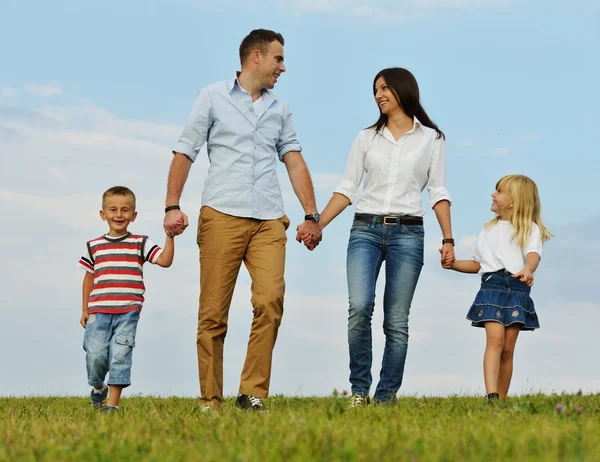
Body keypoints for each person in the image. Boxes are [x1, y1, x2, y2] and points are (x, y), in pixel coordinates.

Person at [163, 29, 321, 411]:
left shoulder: (279, 109)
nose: (282, 67)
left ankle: (252, 393)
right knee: (214, 312)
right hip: (221, 213)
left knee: (270, 301)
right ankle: (210, 399)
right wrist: (172, 205)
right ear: (256, 56)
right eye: (278, 59)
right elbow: (186, 151)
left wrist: (311, 215)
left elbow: (294, 159)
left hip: (268, 219)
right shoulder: (212, 97)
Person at [302, 67, 454, 406]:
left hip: (409, 234)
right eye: (375, 90)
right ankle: (359, 391)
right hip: (365, 231)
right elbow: (347, 188)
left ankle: (386, 397)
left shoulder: (432, 139)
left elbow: (439, 191)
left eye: (384, 88)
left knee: (396, 320)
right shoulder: (365, 138)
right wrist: (318, 223)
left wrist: (448, 239)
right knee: (359, 307)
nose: (378, 95)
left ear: (403, 90)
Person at [446, 174, 552, 402]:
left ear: (514, 201)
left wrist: (528, 269)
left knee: (508, 348)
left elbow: (534, 254)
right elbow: (477, 264)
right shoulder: (487, 230)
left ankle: (501, 400)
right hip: (491, 287)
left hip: (517, 288)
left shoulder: (529, 228)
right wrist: (453, 264)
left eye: (499, 192)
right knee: (495, 340)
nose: (493, 195)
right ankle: (491, 395)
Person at [78, 186, 174, 412]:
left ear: (134, 215)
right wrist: (85, 309)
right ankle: (98, 388)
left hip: (128, 312)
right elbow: (88, 278)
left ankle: (112, 406)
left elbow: (165, 261)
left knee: (120, 355)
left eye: (124, 210)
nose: (119, 215)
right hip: (98, 312)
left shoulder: (140, 242)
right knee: (95, 356)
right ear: (103, 214)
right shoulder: (94, 246)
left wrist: (169, 237)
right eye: (113, 210)